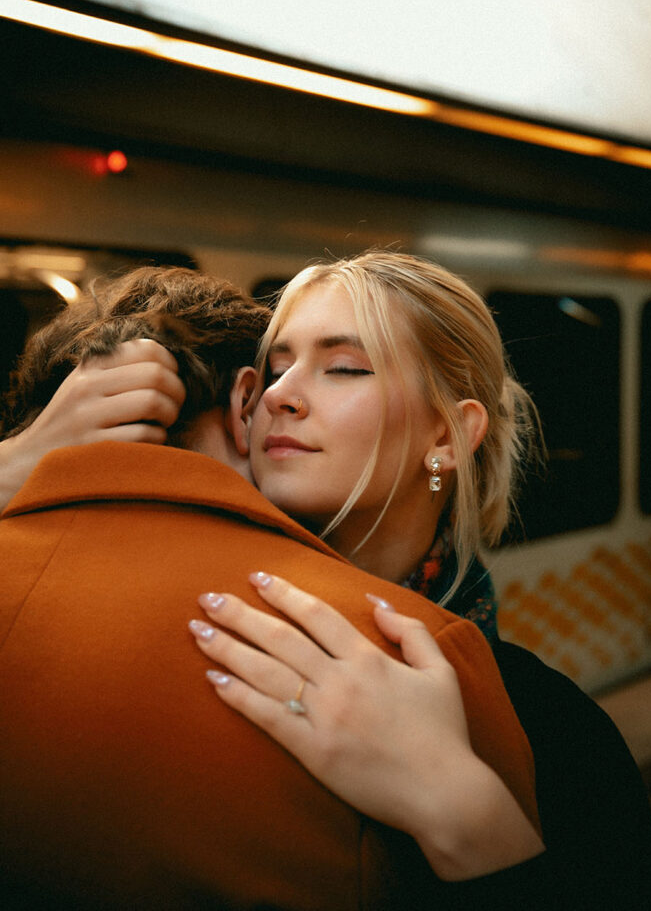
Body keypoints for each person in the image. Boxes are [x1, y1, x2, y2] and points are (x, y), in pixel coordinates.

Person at [0, 265, 543, 910]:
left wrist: (457, 800)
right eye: (276, 368)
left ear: (446, 437)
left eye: (344, 368)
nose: (280, 396)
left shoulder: (530, 710)